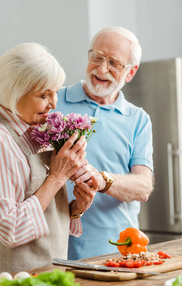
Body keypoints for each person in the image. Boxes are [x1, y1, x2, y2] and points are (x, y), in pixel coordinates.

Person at [0, 43, 98, 277]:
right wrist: (57, 177)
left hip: (51, 275)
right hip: (14, 285)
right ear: (14, 92)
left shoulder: (34, 127)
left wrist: (75, 209)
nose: (54, 104)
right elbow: (10, 230)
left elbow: (39, 206)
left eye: (55, 92)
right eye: (43, 95)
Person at [55, 26, 154, 260]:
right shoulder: (53, 100)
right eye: (96, 57)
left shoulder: (138, 118)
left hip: (117, 253)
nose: (101, 69)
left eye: (114, 63)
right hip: (55, 250)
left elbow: (143, 186)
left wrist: (103, 180)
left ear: (130, 72)